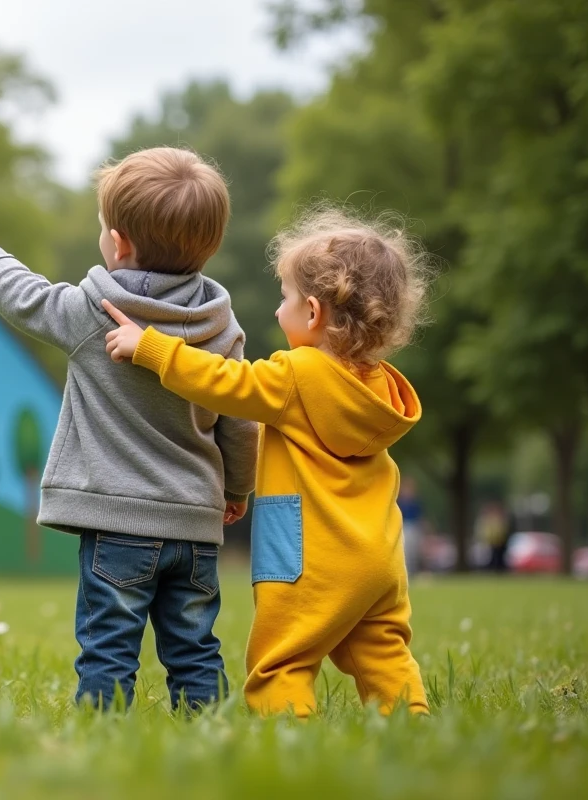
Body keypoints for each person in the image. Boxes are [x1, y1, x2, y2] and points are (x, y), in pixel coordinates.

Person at [0, 147, 259, 710]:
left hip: (117, 525)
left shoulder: (96, 312)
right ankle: (210, 731)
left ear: (121, 244)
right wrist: (236, 489)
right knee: (195, 649)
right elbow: (241, 421)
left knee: (109, 649)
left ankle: (102, 733)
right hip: (195, 526)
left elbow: (29, 299)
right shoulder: (222, 328)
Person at [102, 207, 432, 717]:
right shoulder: (380, 390)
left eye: (286, 298)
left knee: (283, 662)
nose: (279, 311)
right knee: (382, 653)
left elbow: (225, 382)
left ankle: (288, 733)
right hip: (378, 561)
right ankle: (411, 720)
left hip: (308, 559)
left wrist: (151, 348)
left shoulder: (297, 376)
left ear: (314, 313)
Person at [398, 476, 425, 575]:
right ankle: (407, 571)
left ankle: (414, 571)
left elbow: (420, 516)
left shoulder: (415, 502)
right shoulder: (400, 502)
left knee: (414, 549)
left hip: (414, 526)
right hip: (404, 527)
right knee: (406, 549)